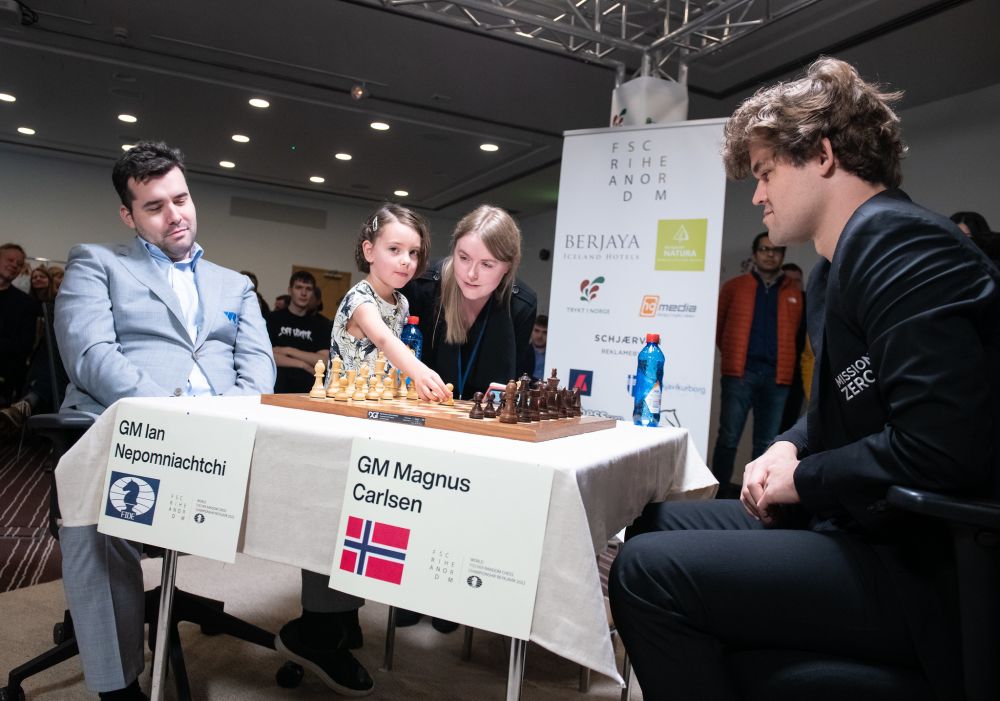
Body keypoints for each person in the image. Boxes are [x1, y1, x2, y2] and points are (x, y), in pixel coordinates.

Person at [608, 57, 1000, 701]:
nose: (757, 194)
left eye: (765, 173)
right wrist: (790, 444)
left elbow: (941, 446)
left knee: (647, 572)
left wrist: (805, 478)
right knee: (656, 526)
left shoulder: (903, 245)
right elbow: (852, 404)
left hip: (918, 566)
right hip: (857, 528)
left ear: (821, 155)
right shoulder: (832, 271)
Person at [55, 141, 373, 699]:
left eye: (181, 198)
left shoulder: (235, 285)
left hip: (231, 433)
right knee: (94, 513)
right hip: (137, 431)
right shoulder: (96, 263)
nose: (175, 214)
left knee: (335, 467)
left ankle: (321, 627)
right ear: (129, 215)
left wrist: (228, 421)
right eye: (154, 206)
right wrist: (176, 418)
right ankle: (117, 684)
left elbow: (256, 368)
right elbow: (90, 356)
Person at [398, 204, 537, 631]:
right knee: (417, 505)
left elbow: (513, 374)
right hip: (424, 420)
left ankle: (451, 591)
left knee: (467, 507)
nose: (471, 274)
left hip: (479, 427)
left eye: (487, 264)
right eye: (463, 258)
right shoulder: (425, 287)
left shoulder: (521, 303)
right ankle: (410, 587)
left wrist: (515, 388)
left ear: (508, 266)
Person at [712, 232, 803, 496]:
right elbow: (720, 331)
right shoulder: (733, 287)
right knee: (728, 438)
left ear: (783, 256)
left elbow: (797, 336)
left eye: (775, 250)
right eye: (764, 249)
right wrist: (734, 357)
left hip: (777, 378)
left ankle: (756, 498)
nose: (769, 254)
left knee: (766, 442)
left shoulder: (794, 293)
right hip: (741, 373)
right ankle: (716, 494)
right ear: (755, 254)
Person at [328, 203, 449, 401]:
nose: (406, 260)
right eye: (394, 249)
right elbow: (384, 340)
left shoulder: (402, 303)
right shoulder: (360, 298)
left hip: (379, 402)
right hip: (346, 403)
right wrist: (419, 371)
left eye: (413, 252)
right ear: (369, 251)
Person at [267, 270, 332, 393]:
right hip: (275, 388)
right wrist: (303, 364)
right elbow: (267, 356)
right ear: (290, 290)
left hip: (308, 390)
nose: (303, 293)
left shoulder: (322, 324)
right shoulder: (272, 319)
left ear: (313, 293)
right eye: (299, 287)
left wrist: (287, 351)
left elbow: (323, 361)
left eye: (308, 289)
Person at [0, 243, 39, 407]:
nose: (14, 265)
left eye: (19, 263)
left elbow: (24, 345)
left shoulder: (25, 303)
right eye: (10, 260)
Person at [530, 313, 547, 380]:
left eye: (544, 332)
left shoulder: (555, 355)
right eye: (536, 331)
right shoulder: (522, 354)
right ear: (531, 331)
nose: (540, 336)